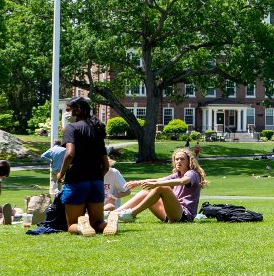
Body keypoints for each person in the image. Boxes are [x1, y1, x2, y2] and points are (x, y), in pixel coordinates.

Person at [56, 97, 112, 236]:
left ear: (78, 110)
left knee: (72, 224)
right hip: (96, 181)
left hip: (76, 180)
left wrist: (61, 173)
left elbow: (70, 154)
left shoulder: (71, 128)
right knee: (97, 222)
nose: (68, 113)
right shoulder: (97, 129)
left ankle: (81, 226)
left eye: (69, 109)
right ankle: (107, 224)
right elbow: (106, 165)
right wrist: (96, 177)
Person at [115, 148, 208, 223]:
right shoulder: (177, 174)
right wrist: (137, 182)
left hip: (184, 216)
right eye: (176, 159)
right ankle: (113, 214)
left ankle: (131, 214)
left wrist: (156, 184)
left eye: (182, 159)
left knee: (162, 187)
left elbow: (182, 181)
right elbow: (159, 180)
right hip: (169, 214)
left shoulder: (192, 173)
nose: (179, 161)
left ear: (189, 161)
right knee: (144, 193)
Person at [102, 148, 130, 212]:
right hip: (95, 206)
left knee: (110, 206)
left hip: (110, 207)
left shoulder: (113, 173)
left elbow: (127, 191)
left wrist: (113, 197)